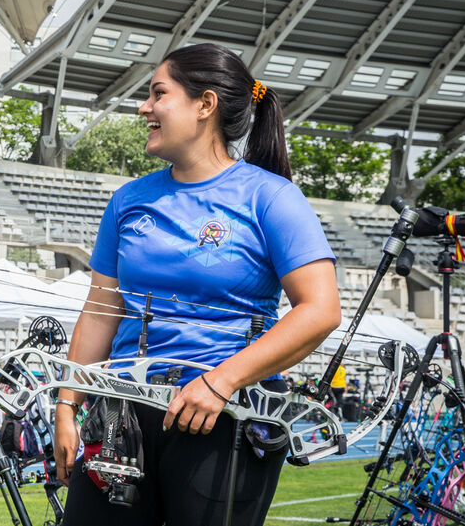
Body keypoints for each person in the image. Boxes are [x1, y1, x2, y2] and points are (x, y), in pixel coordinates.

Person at [54, 43, 341, 526]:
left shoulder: (271, 196)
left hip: (223, 416)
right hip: (122, 415)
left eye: (158, 93)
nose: (144, 107)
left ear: (204, 105)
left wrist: (221, 381)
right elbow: (101, 310)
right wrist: (68, 404)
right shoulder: (128, 200)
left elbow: (320, 309)